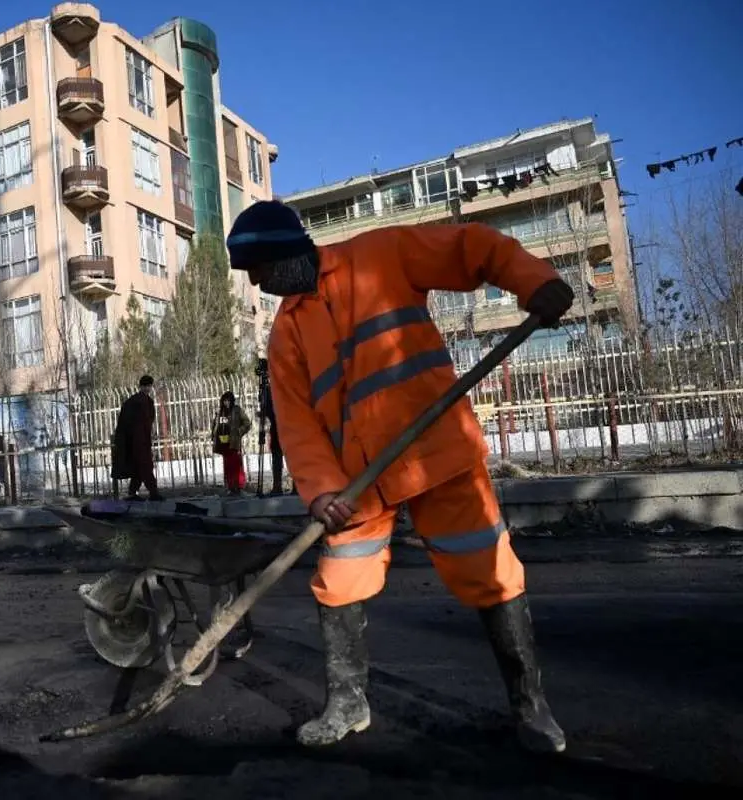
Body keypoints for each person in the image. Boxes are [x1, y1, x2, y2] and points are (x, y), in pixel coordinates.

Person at [226, 200, 574, 754]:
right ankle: (347, 703)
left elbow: (475, 247)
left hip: (439, 454)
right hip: (357, 483)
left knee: (491, 570)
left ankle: (532, 710)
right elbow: (297, 425)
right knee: (339, 583)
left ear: (284, 254)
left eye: (259, 269)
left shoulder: (380, 255)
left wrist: (536, 282)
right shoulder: (286, 334)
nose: (258, 283)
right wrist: (321, 493)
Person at [110, 375, 163, 502]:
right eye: (148, 386)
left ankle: (132, 493)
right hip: (140, 440)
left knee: (138, 468)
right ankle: (153, 492)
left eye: (149, 386)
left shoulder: (132, 402)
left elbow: (124, 423)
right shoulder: (143, 402)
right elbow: (147, 422)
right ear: (146, 386)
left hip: (133, 440)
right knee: (145, 467)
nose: (148, 388)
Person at [211, 391, 252, 496]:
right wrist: (214, 436)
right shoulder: (220, 412)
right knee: (228, 466)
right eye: (224, 401)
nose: (226, 403)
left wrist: (239, 432)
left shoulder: (237, 410)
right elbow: (214, 425)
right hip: (223, 443)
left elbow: (247, 423)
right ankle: (230, 486)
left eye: (228, 400)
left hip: (233, 443)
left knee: (236, 465)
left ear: (232, 401)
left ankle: (238, 486)